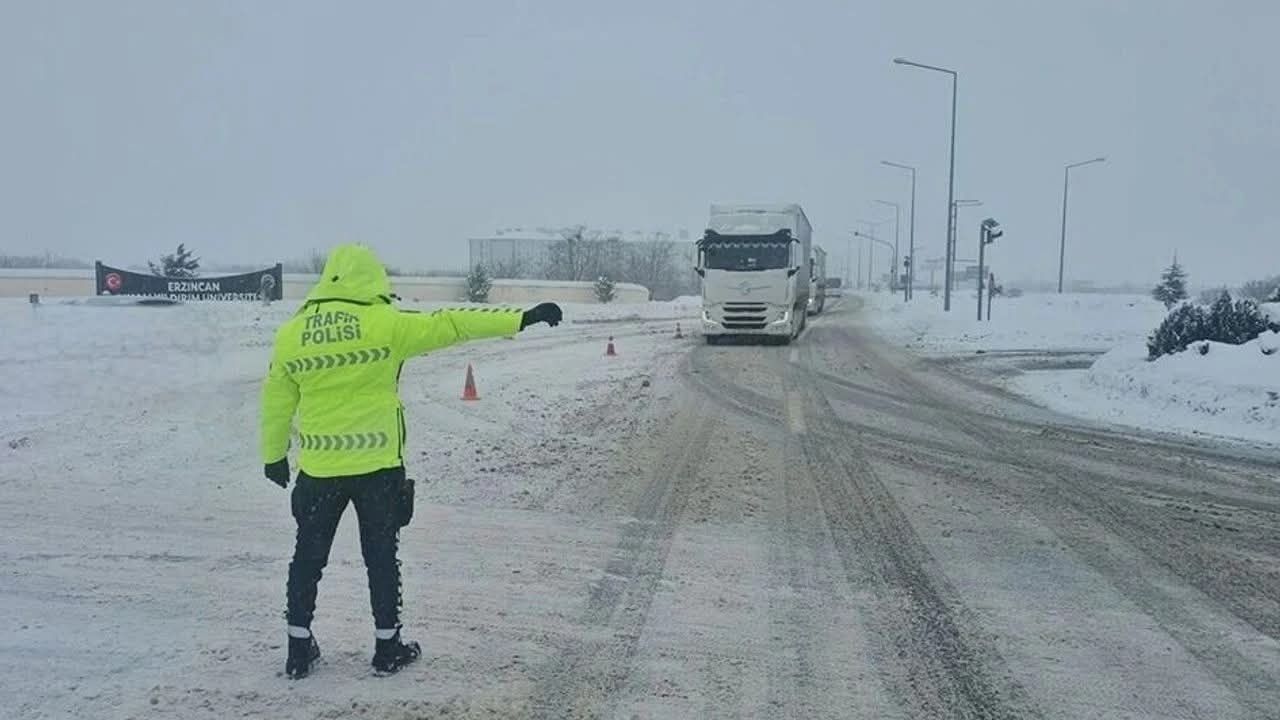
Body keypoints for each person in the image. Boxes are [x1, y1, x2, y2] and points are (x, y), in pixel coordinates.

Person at [260, 244, 561, 678]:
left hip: (319, 469)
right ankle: (387, 649)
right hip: (377, 466)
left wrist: (273, 457)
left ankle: (297, 650)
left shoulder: (292, 334)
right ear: (372, 279)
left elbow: (275, 401)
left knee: (307, 558)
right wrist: (523, 317)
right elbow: (453, 324)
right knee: (381, 557)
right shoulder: (387, 324)